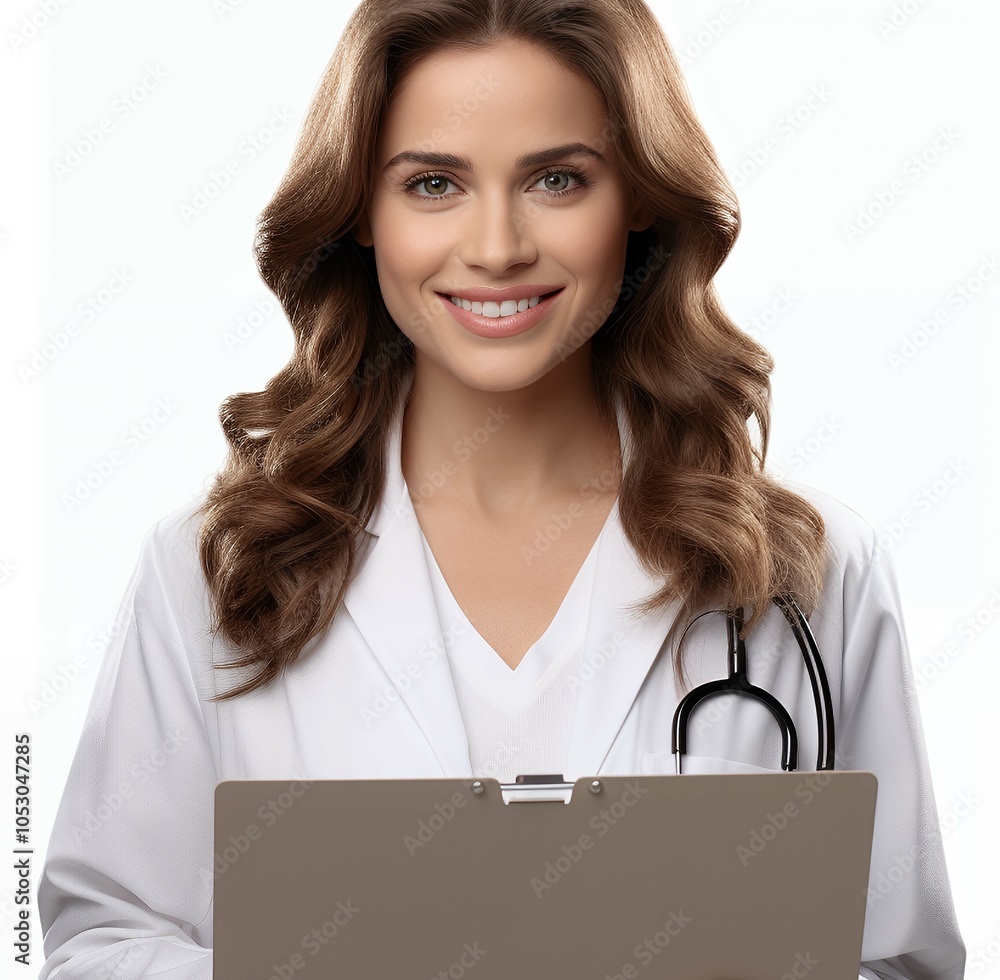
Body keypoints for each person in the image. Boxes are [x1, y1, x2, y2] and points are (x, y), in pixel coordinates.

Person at [38, 1, 965, 977]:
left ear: (640, 197)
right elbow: (101, 941)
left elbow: (899, 960)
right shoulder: (214, 569)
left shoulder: (812, 576)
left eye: (557, 179)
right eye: (433, 183)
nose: (495, 247)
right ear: (361, 208)